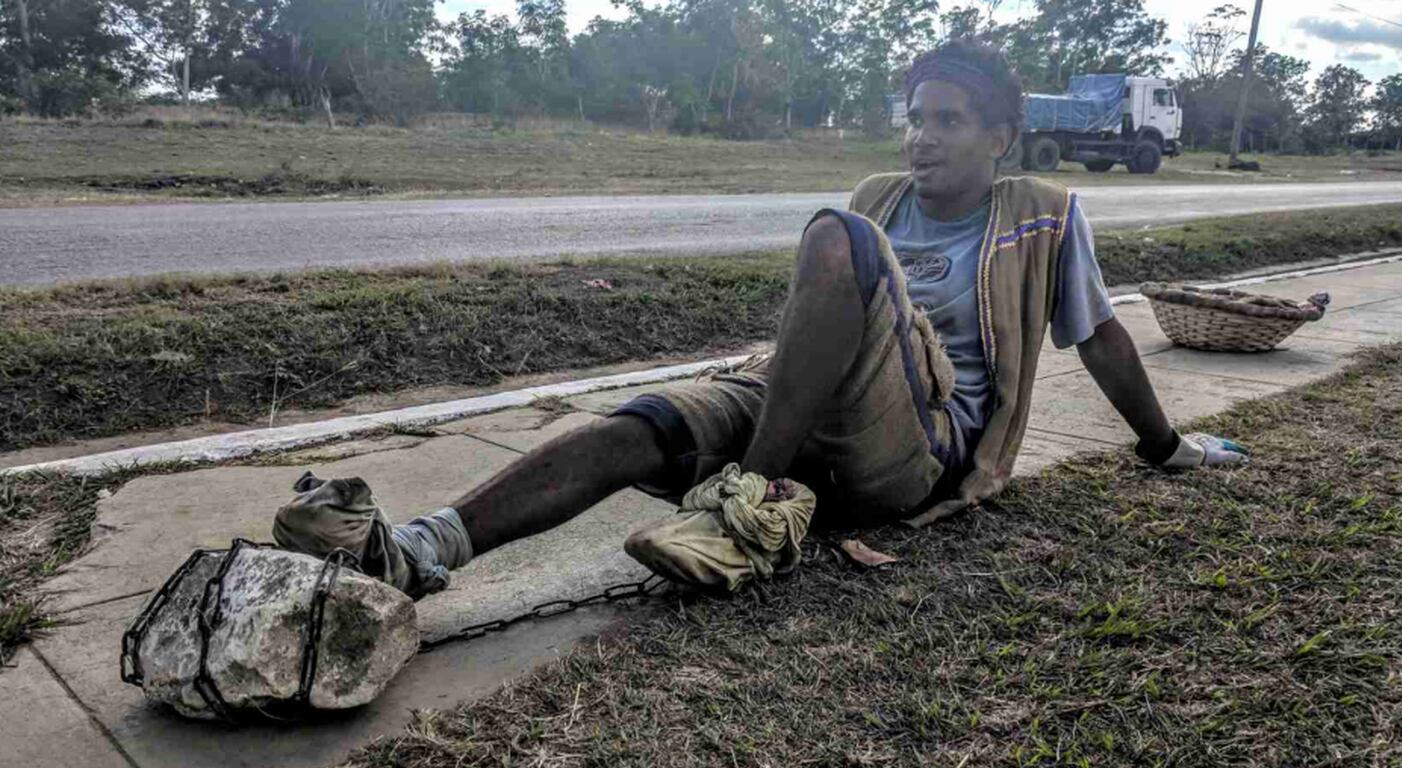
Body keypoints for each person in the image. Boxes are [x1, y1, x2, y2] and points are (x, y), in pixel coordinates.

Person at [273, 39, 1248, 598]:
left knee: (835, 237)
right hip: (810, 412)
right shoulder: (880, 192)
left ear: (1002, 135)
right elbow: (820, 320)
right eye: (914, 115)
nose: (920, 137)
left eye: (948, 120)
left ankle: (749, 500)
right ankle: (418, 549)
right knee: (640, 427)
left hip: (920, 448)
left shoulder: (1042, 212)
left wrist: (1164, 446)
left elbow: (1104, 337)